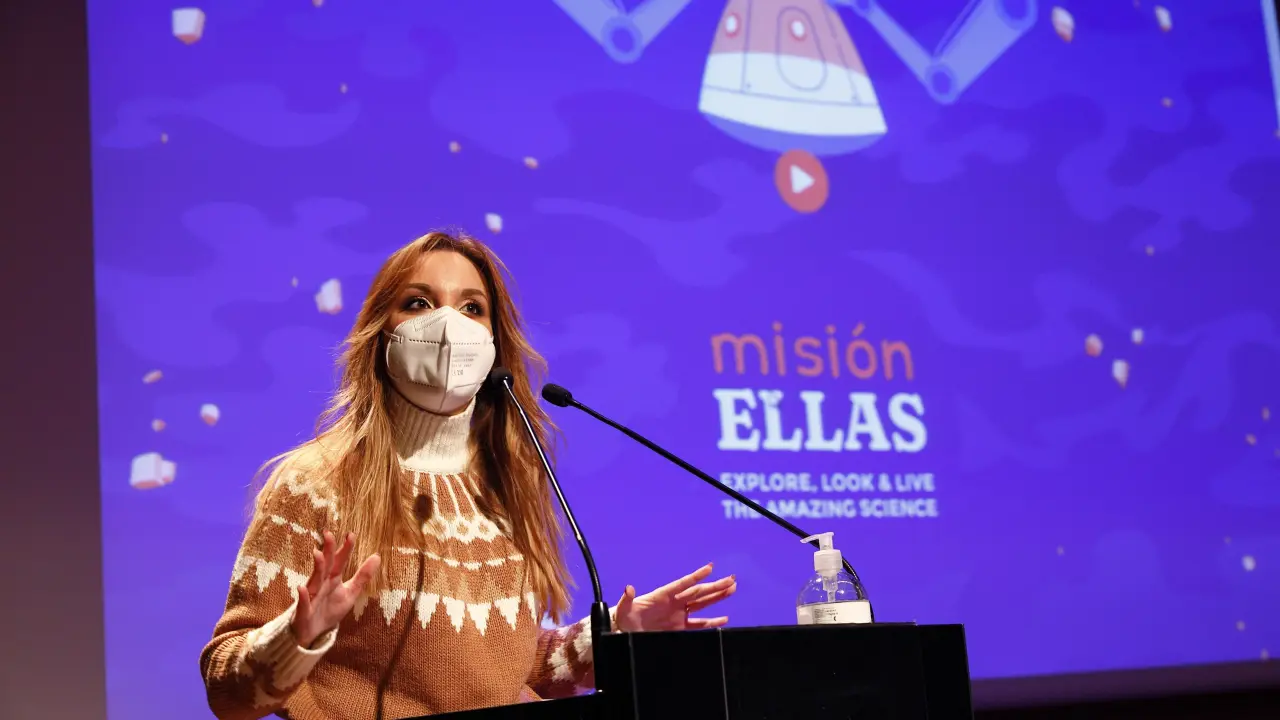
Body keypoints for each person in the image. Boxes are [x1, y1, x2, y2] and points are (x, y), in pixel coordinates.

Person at [200, 231, 738, 719]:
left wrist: (616, 637)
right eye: (418, 303)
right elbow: (226, 690)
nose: (449, 325)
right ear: (380, 333)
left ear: (495, 343)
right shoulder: (316, 481)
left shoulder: (505, 485)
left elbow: (506, 671)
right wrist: (295, 637)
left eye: (472, 308)